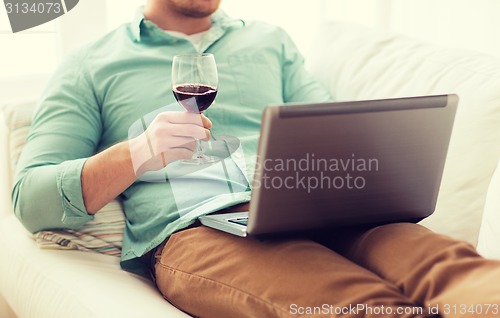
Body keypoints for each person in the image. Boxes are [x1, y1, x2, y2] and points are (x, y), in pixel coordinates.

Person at [12, 0, 500, 317]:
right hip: (199, 226)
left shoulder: (270, 41)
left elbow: (334, 126)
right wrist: (137, 153)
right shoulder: (90, 62)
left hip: (320, 206)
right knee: (362, 307)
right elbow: (31, 198)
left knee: (463, 278)